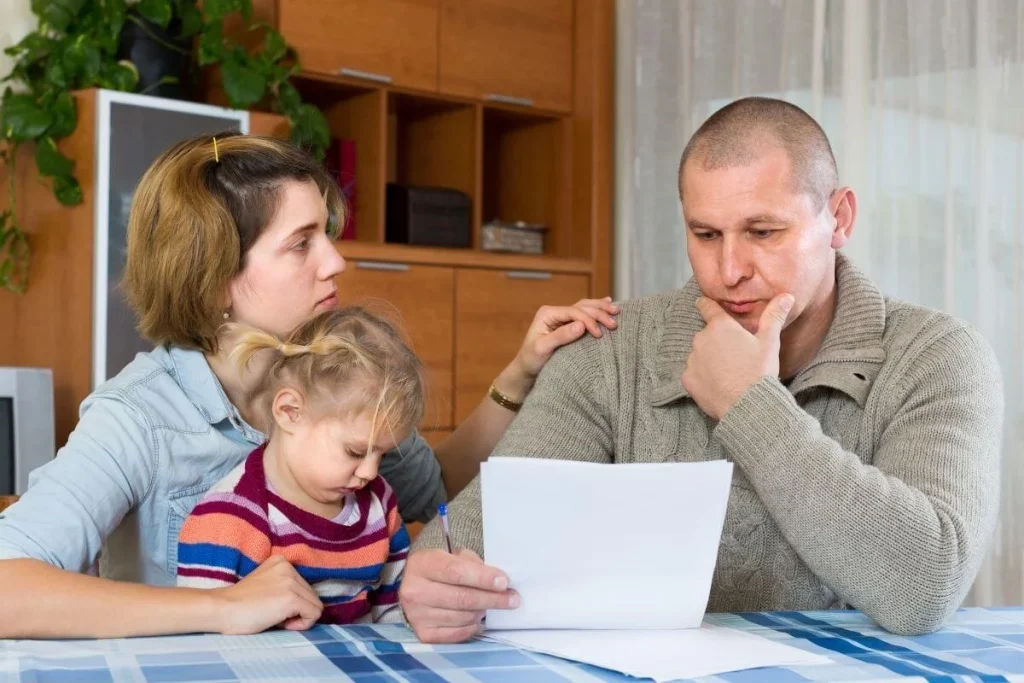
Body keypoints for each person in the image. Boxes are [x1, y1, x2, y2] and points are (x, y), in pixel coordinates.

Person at [400, 96, 1004, 641]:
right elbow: (474, 543)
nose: (729, 270)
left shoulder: (938, 355)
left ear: (839, 218)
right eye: (706, 234)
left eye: (763, 231)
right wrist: (436, 584)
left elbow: (926, 588)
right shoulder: (607, 350)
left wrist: (747, 404)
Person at [0, 132, 618, 638]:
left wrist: (519, 375)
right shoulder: (137, 416)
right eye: (301, 244)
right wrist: (221, 607)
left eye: (326, 234)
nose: (335, 262)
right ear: (214, 280)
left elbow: (437, 490)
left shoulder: (340, 369)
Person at [177, 307, 424, 625]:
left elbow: (393, 617)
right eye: (355, 451)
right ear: (290, 412)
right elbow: (201, 631)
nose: (370, 472)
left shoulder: (380, 504)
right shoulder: (227, 520)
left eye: (383, 456)